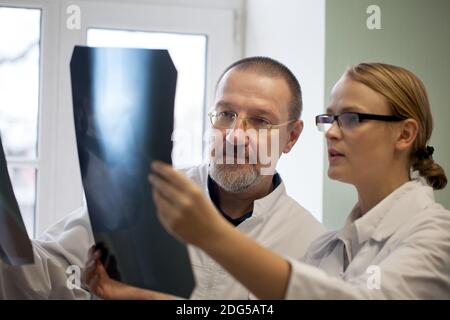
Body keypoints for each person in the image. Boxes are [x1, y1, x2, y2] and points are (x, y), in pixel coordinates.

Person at [88, 62, 450, 299]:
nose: (331, 134)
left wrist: (210, 234)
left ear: (404, 135)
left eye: (351, 119)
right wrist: (137, 297)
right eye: (331, 118)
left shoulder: (437, 237)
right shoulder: (328, 249)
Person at [0, 57, 325, 299]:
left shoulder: (313, 247)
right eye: (226, 114)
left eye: (260, 121)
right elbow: (39, 274)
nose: (234, 137)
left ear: (292, 136)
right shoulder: (143, 198)